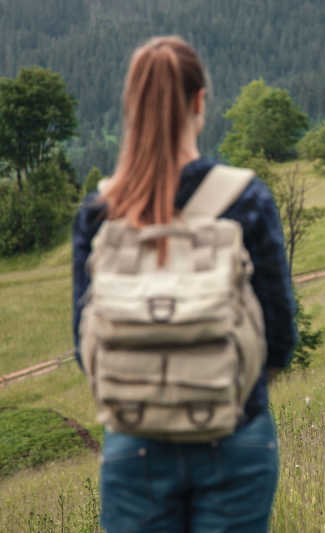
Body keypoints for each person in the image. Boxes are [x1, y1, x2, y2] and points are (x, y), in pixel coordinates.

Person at [71, 36, 296, 532]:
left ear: (132, 107)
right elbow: (280, 336)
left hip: (135, 440)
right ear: (200, 102)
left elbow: (83, 343)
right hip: (235, 432)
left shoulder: (99, 211)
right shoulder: (246, 198)